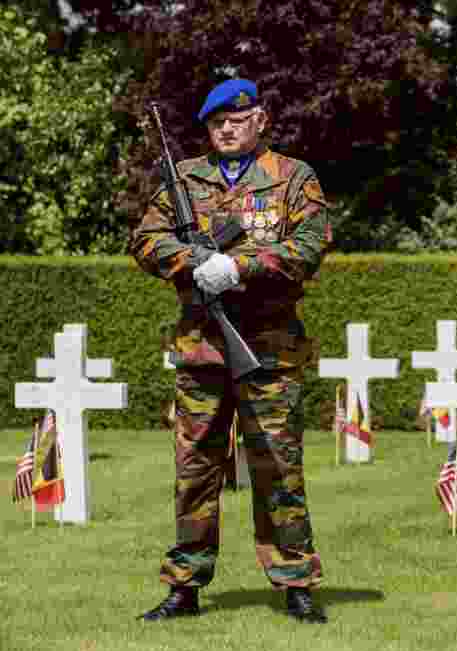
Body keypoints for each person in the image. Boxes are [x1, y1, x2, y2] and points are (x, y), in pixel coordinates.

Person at [131, 78, 332, 623]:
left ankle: (296, 583)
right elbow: (145, 239)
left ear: (260, 120)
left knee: (277, 467)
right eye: (216, 122)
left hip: (268, 351)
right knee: (195, 468)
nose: (225, 129)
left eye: (236, 120)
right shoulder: (187, 179)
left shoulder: (292, 178)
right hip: (202, 350)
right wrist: (190, 261)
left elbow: (310, 245)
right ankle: (186, 586)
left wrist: (238, 266)